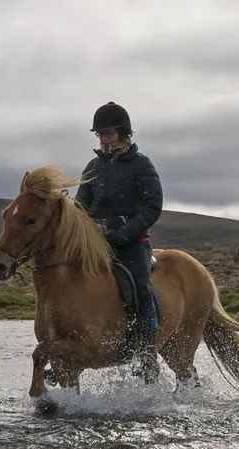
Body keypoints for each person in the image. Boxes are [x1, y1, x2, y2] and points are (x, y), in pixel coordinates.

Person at [74, 101, 164, 381]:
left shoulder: (141, 165)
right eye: (100, 133)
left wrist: (123, 233)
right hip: (96, 243)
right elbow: (81, 204)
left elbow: (153, 206)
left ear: (124, 133)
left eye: (109, 132)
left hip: (132, 241)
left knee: (140, 283)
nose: (104, 138)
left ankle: (148, 351)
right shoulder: (93, 166)